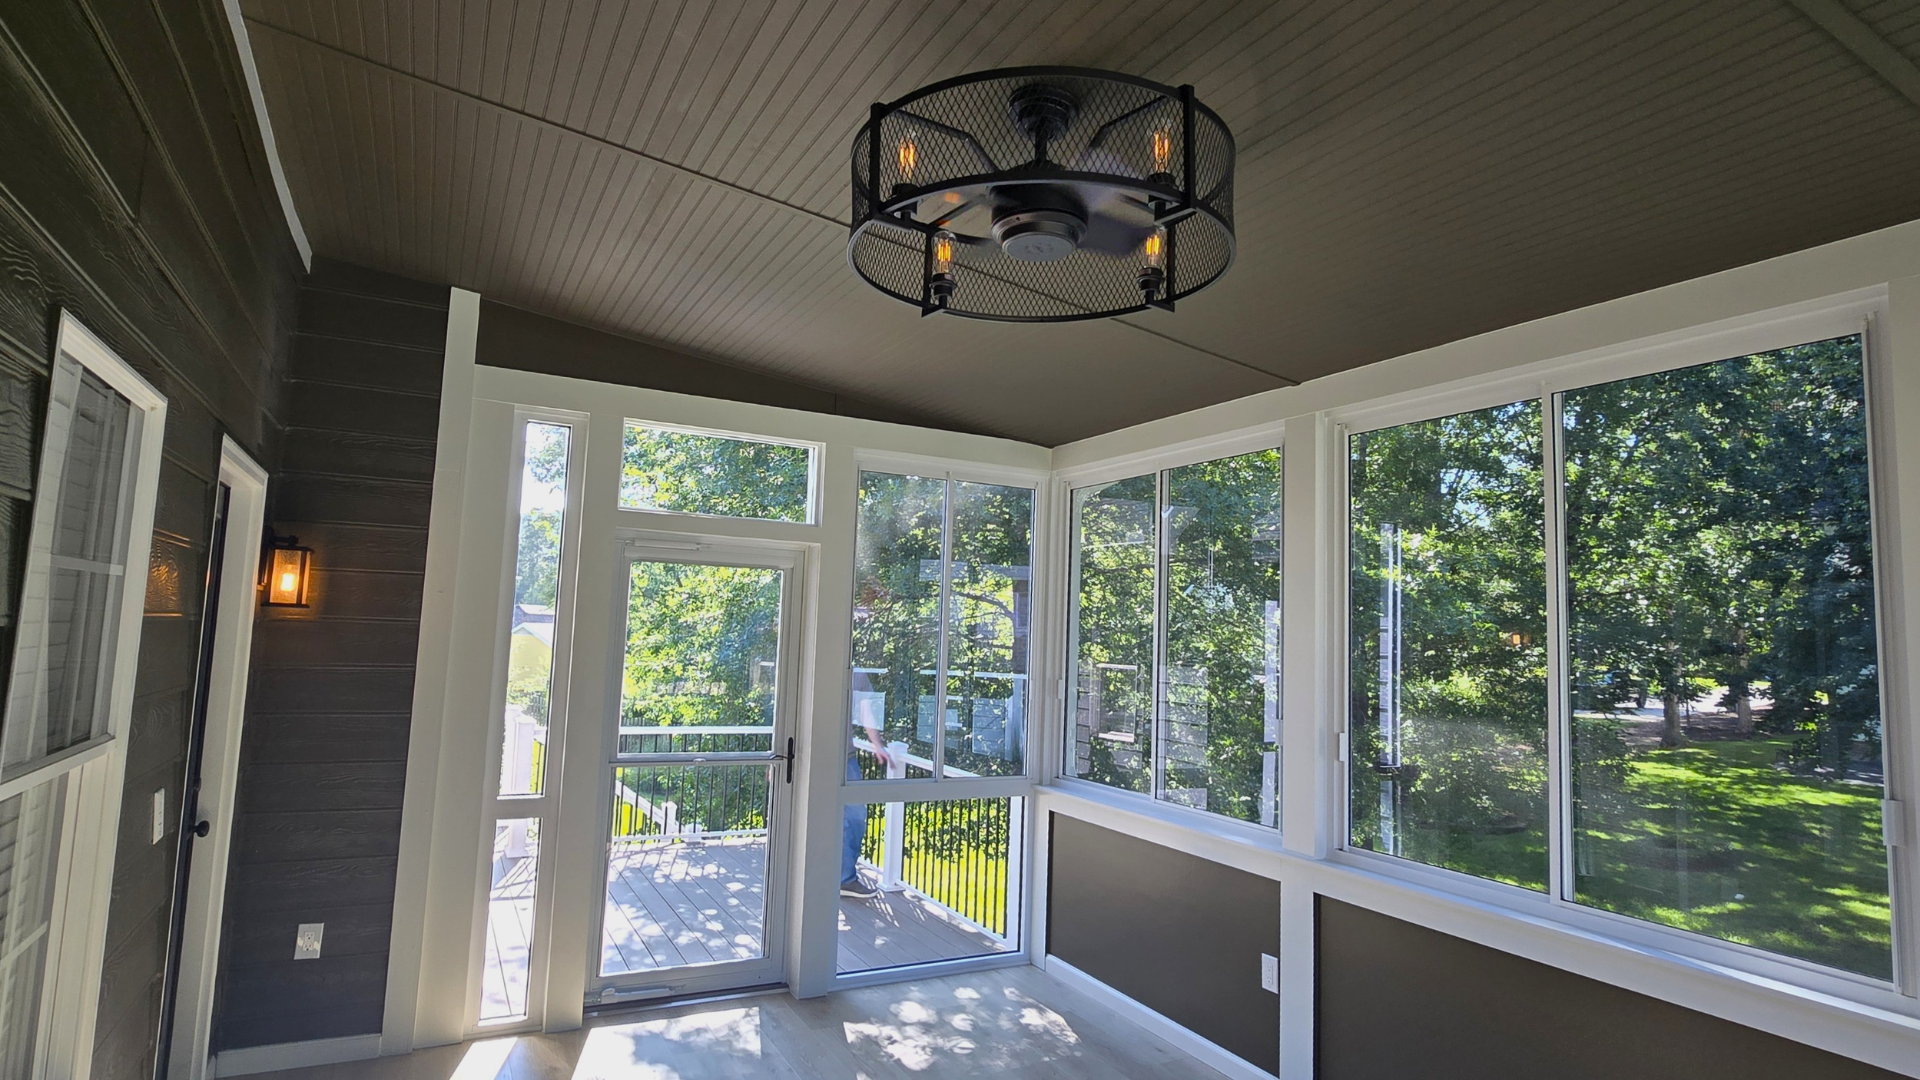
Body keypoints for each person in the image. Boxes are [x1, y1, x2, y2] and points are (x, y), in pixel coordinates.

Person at [843, 670, 892, 899]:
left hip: (845, 758)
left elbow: (866, 712)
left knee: (855, 816)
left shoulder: (857, 676)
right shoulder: (808, 666)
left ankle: (845, 880)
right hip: (808, 756)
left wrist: (878, 745)